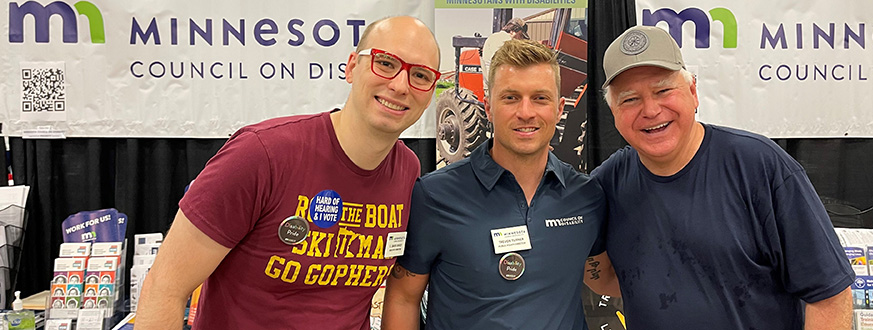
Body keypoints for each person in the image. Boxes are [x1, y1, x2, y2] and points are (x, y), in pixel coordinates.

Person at [135, 16, 441, 329]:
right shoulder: (260, 154)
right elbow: (165, 288)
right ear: (351, 67)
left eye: (420, 75)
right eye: (386, 63)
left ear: (431, 92)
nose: (400, 85)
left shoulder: (406, 169)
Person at [585, 25, 855, 329]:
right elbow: (605, 278)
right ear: (613, 113)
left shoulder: (760, 166)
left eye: (663, 91)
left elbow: (830, 295)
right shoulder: (607, 184)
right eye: (630, 99)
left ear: (692, 92)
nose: (650, 109)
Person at [381, 39, 605, 329]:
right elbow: (403, 297)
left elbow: (606, 277)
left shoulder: (586, 196)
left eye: (540, 98)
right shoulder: (435, 195)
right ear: (487, 107)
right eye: (510, 98)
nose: (526, 112)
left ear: (559, 108)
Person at [481, 18, 530, 92]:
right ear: (513, 31)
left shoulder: (493, 37)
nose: (521, 39)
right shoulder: (506, 41)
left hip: (492, 86)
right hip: (501, 88)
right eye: (521, 35)